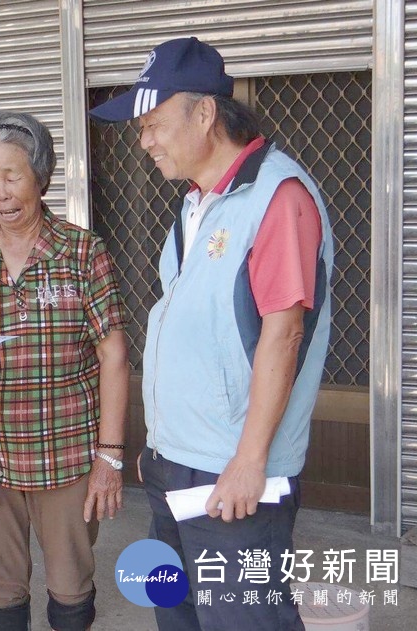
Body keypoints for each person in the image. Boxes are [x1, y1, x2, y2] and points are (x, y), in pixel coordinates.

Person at [90, 37, 333, 631]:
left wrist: (250, 461)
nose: (143, 141)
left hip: (232, 473)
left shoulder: (277, 196)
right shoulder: (197, 202)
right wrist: (160, 447)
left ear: (204, 113)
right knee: (177, 613)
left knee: (244, 620)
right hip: (177, 462)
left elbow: (283, 333)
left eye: (152, 125)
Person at [0, 111, 129, 631]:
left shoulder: (82, 251)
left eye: (12, 175)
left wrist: (110, 456)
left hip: (66, 456)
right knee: (1, 590)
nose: (0, 192)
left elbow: (113, 353)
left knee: (70, 585)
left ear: (40, 176)